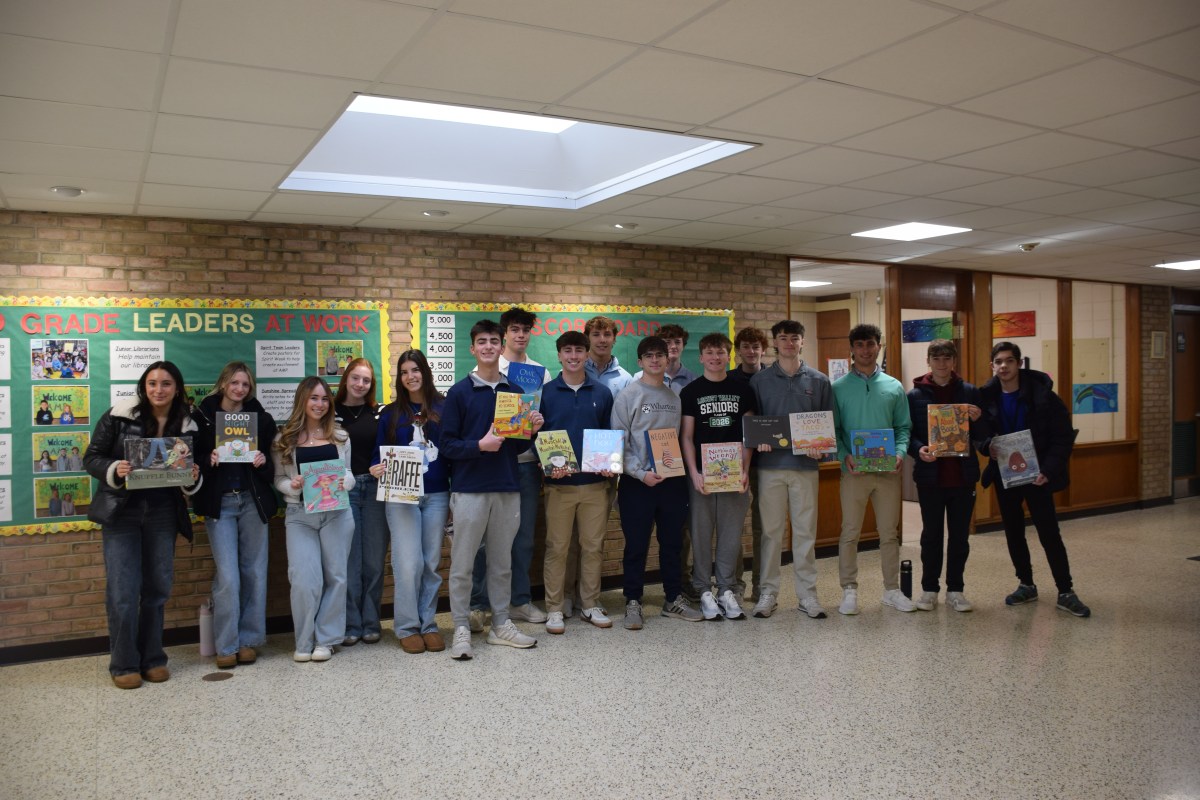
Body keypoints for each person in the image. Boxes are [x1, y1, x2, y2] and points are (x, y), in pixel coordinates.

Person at [83, 360, 201, 689]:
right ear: (143, 386)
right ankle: (123, 663)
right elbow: (91, 457)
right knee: (123, 591)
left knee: (158, 589)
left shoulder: (188, 425)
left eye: (165, 384)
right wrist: (114, 469)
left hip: (163, 511)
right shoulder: (119, 416)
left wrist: (194, 478)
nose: (158, 390)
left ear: (177, 388)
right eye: (152, 383)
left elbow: (195, 471)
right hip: (123, 511)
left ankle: (153, 659)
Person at [440, 320, 544, 660]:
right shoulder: (458, 393)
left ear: (501, 348)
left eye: (493, 341)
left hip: (506, 487)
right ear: (473, 349)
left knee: (502, 562)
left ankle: (501, 624)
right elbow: (448, 446)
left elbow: (513, 448)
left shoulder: (514, 391)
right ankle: (460, 627)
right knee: (463, 563)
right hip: (470, 490)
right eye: (481, 341)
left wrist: (529, 432)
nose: (487, 346)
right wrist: (479, 445)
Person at [978, 342, 1090, 617]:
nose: (1003, 366)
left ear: (1019, 364)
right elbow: (978, 434)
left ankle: (1066, 590)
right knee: (1014, 533)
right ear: (992, 366)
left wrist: (1048, 471)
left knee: (1049, 533)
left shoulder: (1043, 395)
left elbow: (1063, 437)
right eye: (998, 362)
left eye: (1009, 361)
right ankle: (1026, 583)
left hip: (1038, 476)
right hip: (1006, 476)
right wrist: (986, 446)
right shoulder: (985, 397)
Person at [191, 361, 279, 669]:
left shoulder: (262, 420)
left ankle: (248, 641)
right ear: (223, 383)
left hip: (252, 503)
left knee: (255, 572)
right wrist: (208, 457)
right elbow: (188, 461)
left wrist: (262, 460)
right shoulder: (202, 418)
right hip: (221, 505)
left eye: (245, 384)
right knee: (228, 577)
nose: (239, 388)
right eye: (234, 383)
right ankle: (226, 644)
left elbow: (272, 469)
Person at [612, 335, 701, 629]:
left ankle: (673, 597)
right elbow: (620, 442)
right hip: (637, 483)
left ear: (667, 360)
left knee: (672, 543)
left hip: (671, 482)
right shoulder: (627, 396)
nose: (654, 360)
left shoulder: (674, 397)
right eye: (648, 356)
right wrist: (639, 473)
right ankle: (633, 601)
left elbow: (677, 440)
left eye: (659, 355)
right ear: (640, 362)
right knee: (636, 545)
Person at [470, 307, 551, 629]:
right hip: (492, 464)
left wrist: (538, 427)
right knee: (483, 540)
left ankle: (518, 601)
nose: (520, 335)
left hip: (527, 463)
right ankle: (479, 604)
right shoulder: (489, 367)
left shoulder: (540, 373)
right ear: (504, 334)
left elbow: (542, 421)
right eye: (514, 329)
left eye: (525, 330)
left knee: (524, 539)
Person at [750, 320, 834, 619]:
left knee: (805, 534)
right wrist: (757, 441)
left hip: (805, 467)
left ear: (802, 342)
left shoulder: (819, 380)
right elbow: (754, 422)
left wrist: (823, 448)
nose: (788, 343)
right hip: (770, 468)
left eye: (793, 338)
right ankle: (768, 594)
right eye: (782, 338)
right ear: (775, 343)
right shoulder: (760, 381)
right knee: (771, 533)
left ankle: (807, 595)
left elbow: (828, 424)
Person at [369, 349, 450, 654]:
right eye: (404, 372)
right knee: (407, 562)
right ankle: (406, 626)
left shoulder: (443, 407)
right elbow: (379, 452)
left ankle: (428, 623)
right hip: (401, 495)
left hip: (437, 493)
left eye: (415, 370)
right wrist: (376, 467)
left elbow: (452, 448)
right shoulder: (390, 413)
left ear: (425, 372)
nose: (410, 376)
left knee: (430, 562)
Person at [832, 323, 915, 614]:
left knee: (888, 533)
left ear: (878, 346)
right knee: (850, 532)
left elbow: (904, 428)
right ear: (852, 349)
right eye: (860, 345)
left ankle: (891, 590)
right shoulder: (838, 388)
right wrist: (845, 456)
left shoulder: (894, 386)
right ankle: (849, 589)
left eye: (870, 344)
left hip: (887, 472)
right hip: (854, 472)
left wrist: (901, 453)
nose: (865, 350)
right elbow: (836, 430)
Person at [537, 331, 616, 634]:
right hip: (558, 486)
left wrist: (611, 464)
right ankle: (555, 608)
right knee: (557, 548)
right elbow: (534, 438)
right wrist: (546, 464)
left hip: (596, 486)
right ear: (559, 355)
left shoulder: (602, 392)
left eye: (578, 351)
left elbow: (609, 434)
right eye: (567, 351)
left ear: (586, 355)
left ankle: (590, 604)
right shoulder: (544, 393)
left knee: (593, 547)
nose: (573, 356)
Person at [272, 376, 356, 663]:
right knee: (304, 579)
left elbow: (349, 474)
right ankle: (304, 640)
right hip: (300, 516)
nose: (319, 404)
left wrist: (344, 482)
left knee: (336, 576)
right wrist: (291, 486)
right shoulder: (283, 439)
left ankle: (327, 640)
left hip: (337, 514)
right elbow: (278, 479)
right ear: (302, 400)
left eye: (324, 399)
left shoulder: (341, 436)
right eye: (313, 398)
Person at [679, 332, 754, 620]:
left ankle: (726, 589)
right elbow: (686, 436)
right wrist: (693, 472)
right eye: (709, 353)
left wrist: (745, 469)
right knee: (700, 533)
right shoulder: (691, 392)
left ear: (728, 356)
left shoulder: (743, 390)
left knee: (730, 534)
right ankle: (703, 589)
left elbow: (749, 435)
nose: (715, 358)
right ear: (700, 358)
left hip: (735, 474)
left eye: (720, 352)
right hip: (701, 476)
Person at [906, 339, 982, 613]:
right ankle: (929, 589)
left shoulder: (970, 392)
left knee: (960, 537)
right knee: (931, 536)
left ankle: (956, 589)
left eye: (946, 358)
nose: (941, 364)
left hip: (963, 478)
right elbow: (908, 434)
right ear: (928, 361)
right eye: (936, 359)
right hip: (930, 478)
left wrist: (978, 419)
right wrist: (919, 449)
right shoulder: (914, 396)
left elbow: (984, 435)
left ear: (954, 361)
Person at [334, 358, 386, 646]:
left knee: (375, 561)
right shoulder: (330, 411)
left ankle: (371, 621)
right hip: (345, 491)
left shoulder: (378, 413)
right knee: (350, 561)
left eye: (366, 380)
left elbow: (387, 449)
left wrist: (380, 465)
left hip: (375, 489)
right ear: (346, 379)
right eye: (355, 378)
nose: (360, 385)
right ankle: (351, 623)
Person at [726, 325, 768, 601]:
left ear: (763, 349)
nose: (751, 352)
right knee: (734, 526)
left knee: (763, 526)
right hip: (734, 461)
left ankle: (761, 586)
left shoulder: (773, 378)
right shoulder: (728, 379)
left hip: (768, 461)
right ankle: (735, 585)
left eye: (756, 346)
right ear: (738, 350)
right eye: (745, 347)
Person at [633, 324, 696, 394]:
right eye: (668, 342)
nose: (673, 346)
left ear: (683, 346)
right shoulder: (639, 378)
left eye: (677, 342)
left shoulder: (693, 380)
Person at [584, 315, 633, 398]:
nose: (602, 340)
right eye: (596, 335)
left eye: (607, 334)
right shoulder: (575, 372)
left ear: (614, 339)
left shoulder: (626, 379)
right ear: (588, 338)